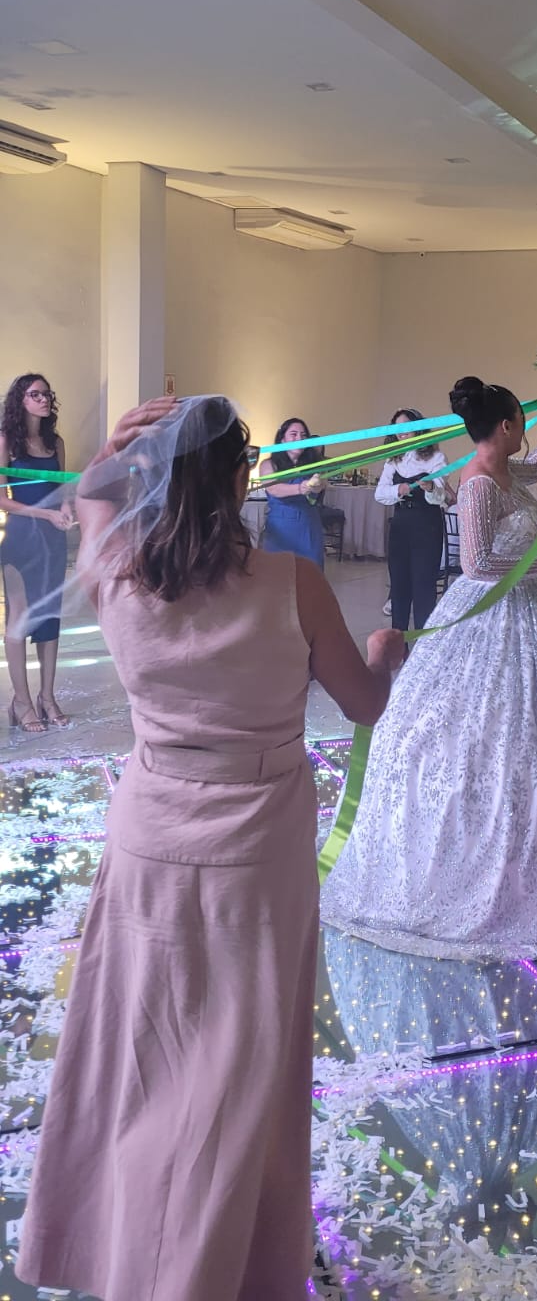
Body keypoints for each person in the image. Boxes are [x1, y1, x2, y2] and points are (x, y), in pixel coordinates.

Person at [16, 394, 404, 1301]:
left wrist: (115, 455)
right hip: (259, 849)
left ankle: (122, 1249)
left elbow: (92, 499)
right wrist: (385, 652)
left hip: (151, 836)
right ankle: (221, 1266)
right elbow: (364, 705)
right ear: (241, 479)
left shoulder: (117, 574)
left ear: (155, 477)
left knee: (138, 1053)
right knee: (243, 1069)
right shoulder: (293, 583)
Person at [321, 376, 537, 960]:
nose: (526, 432)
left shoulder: (510, 470)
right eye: (522, 423)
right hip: (491, 611)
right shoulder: (479, 482)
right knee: (482, 725)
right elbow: (477, 564)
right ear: (506, 426)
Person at [0, 372, 73, 731]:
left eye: (46, 394)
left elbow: (62, 490)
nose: (44, 399)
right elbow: (1, 499)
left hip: (53, 540)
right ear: (21, 400)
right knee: (20, 617)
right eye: (35, 394)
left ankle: (47, 697)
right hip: (21, 538)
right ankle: (21, 702)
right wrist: (45, 513)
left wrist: (67, 508)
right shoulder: (6, 442)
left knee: (50, 617)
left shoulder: (55, 442)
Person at [374, 408, 452, 631]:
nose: (402, 432)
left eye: (407, 427)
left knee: (423, 586)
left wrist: (430, 488)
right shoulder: (393, 460)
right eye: (397, 428)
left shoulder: (437, 458)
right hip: (400, 525)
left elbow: (441, 497)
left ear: (418, 428)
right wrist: (398, 489)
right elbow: (379, 494)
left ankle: (422, 642)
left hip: (427, 525)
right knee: (399, 585)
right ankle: (398, 642)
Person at [259, 416, 326, 568]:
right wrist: (300, 488)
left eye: (303, 435)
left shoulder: (315, 464)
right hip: (281, 529)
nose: (299, 439)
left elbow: (322, 484)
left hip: (309, 526)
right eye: (293, 434)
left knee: (310, 573)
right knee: (279, 573)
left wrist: (317, 485)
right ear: (282, 439)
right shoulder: (268, 464)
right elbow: (273, 488)